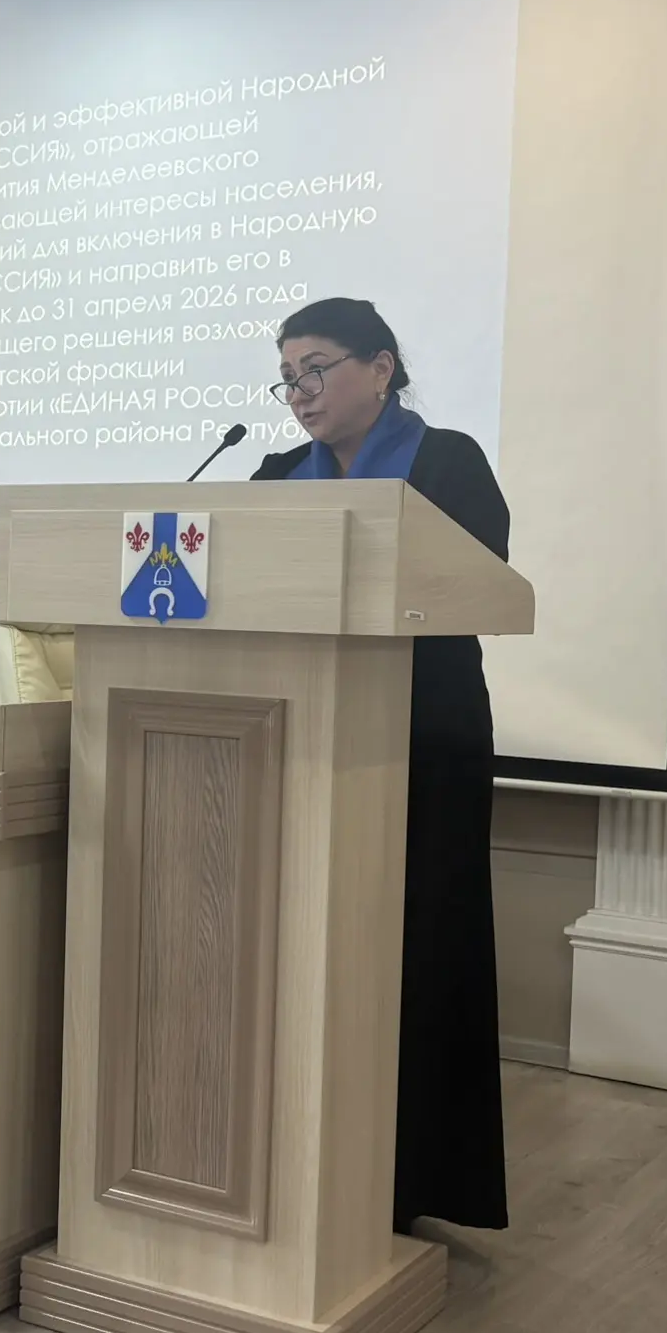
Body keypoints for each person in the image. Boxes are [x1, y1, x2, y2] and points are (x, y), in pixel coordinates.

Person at [251, 297, 509, 1235]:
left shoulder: (447, 463)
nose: (299, 392)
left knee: (421, 942)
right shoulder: (277, 478)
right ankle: (295, 1157)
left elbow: (479, 584)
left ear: (382, 368)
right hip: (302, 740)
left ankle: (413, 1177)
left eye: (316, 368)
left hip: (425, 740)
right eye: (288, 377)